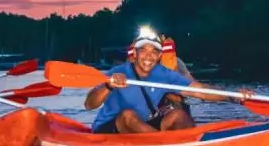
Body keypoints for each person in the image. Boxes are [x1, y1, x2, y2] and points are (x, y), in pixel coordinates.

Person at [85, 27, 253, 134]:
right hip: (108, 129)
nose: (148, 56)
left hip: (143, 127)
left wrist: (232, 96)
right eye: (143, 51)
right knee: (128, 115)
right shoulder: (118, 72)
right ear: (134, 54)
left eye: (154, 52)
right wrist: (108, 85)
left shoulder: (163, 74)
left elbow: (199, 90)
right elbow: (89, 104)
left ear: (159, 56)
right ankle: (165, 144)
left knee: (178, 114)